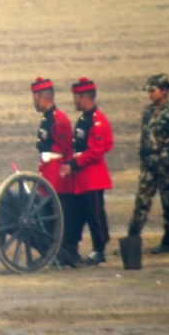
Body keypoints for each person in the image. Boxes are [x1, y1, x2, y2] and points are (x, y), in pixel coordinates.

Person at [126, 74, 169, 254]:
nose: (150, 94)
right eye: (149, 91)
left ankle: (168, 241)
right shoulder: (147, 112)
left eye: (153, 90)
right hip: (149, 166)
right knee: (141, 202)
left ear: (164, 91)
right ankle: (131, 241)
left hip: (166, 166)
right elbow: (144, 138)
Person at [59, 77, 114, 265]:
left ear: (85, 97)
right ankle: (71, 249)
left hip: (93, 178)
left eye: (76, 97)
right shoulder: (83, 120)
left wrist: (73, 164)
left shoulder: (97, 122)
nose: (74, 100)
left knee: (95, 216)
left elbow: (95, 152)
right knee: (75, 215)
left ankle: (99, 250)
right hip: (80, 178)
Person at [29, 77, 78, 266]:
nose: (34, 101)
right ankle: (50, 252)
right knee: (47, 215)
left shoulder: (58, 119)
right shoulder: (47, 118)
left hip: (56, 173)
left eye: (36, 97)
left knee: (57, 214)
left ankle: (62, 252)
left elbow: (66, 149)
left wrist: (65, 172)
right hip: (46, 170)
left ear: (44, 98)